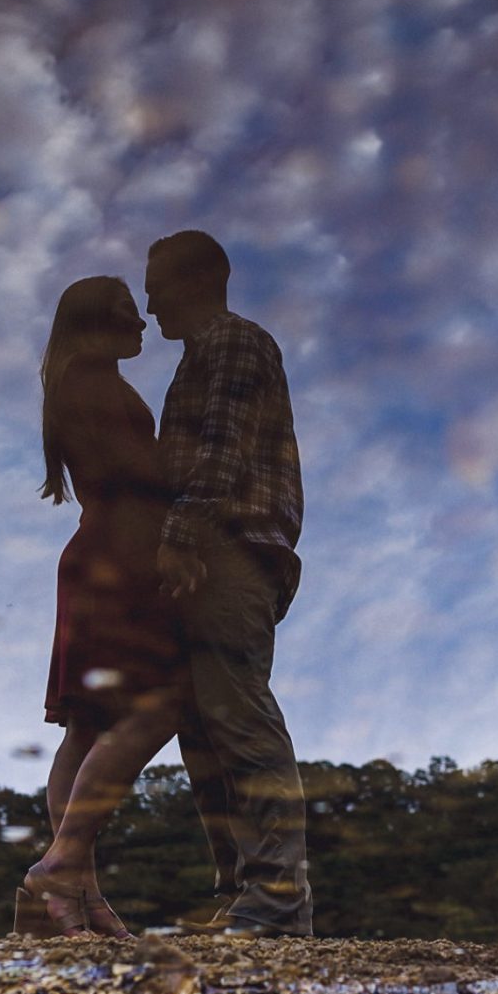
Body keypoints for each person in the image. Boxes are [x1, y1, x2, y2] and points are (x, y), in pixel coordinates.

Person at [146, 229, 313, 935]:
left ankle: (277, 899)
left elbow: (222, 449)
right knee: (206, 729)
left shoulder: (235, 343)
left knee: (238, 714)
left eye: (157, 285)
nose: (150, 303)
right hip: (213, 549)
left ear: (198, 280)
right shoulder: (198, 359)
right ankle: (245, 894)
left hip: (228, 550)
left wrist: (181, 536)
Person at [20, 275, 187, 938]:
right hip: (122, 558)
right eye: (125, 314)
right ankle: (62, 867)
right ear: (93, 322)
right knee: (163, 704)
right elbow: (139, 478)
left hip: (99, 557)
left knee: (85, 728)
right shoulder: (93, 385)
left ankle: (80, 897)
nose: (142, 322)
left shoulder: (78, 382)